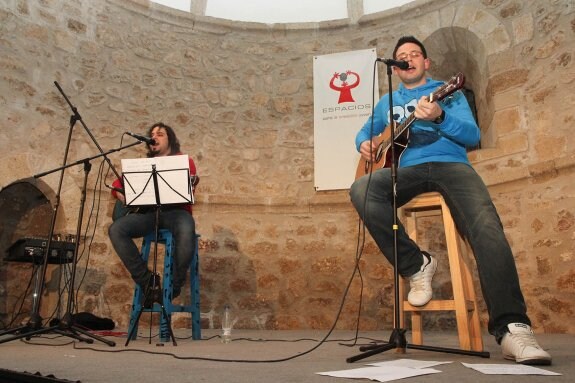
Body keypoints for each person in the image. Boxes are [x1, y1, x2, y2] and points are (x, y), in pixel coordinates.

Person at [350, 36, 551, 365]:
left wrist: (440, 116)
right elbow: (365, 133)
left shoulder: (448, 90)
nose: (408, 59)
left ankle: (513, 328)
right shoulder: (387, 102)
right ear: (396, 68)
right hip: (406, 171)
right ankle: (417, 265)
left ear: (426, 63)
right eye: (401, 57)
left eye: (415, 54)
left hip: (452, 165)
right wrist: (366, 144)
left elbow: (472, 137)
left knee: (486, 225)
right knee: (361, 189)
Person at [109, 122, 198, 305]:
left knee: (186, 226)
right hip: (149, 214)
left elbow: (190, 188)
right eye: (152, 135)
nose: (154, 137)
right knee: (116, 229)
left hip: (176, 212)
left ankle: (174, 285)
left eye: (160, 134)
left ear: (170, 139)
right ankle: (148, 282)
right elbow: (117, 184)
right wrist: (118, 193)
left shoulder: (184, 161)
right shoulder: (145, 164)